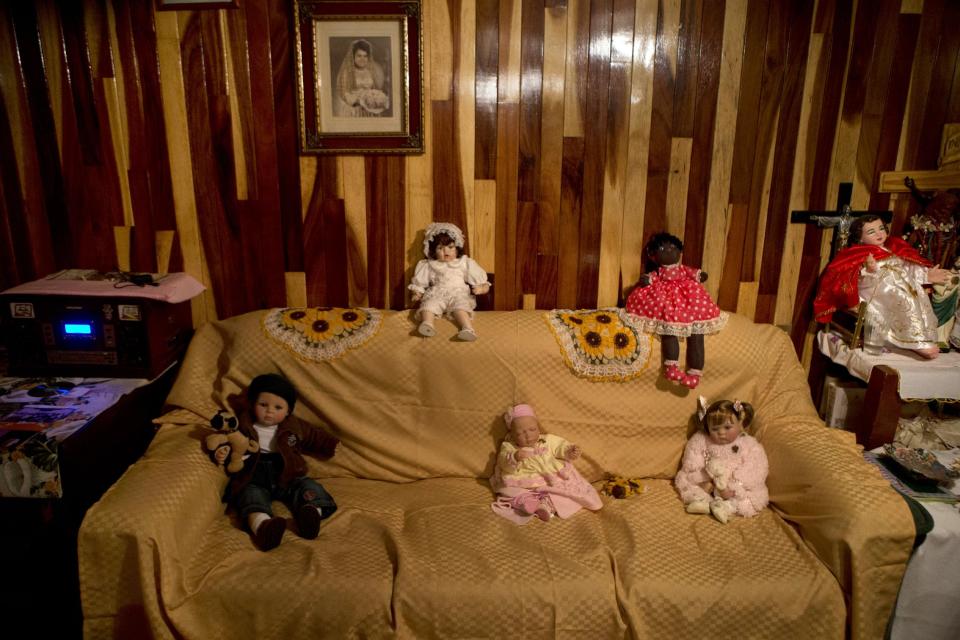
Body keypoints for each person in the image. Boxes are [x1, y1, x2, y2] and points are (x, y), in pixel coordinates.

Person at [222, 374, 339, 551]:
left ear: (288, 411)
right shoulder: (243, 423)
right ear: (253, 404)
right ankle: (263, 527)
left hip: (289, 475)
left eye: (278, 407)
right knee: (251, 497)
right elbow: (230, 439)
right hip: (254, 477)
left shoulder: (294, 425)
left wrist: (329, 444)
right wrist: (223, 451)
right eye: (263, 405)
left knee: (309, 487)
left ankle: (311, 514)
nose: (269, 411)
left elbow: (313, 434)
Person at [813, 214, 951, 359]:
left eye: (881, 229)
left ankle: (918, 339)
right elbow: (852, 277)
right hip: (874, 290)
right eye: (871, 232)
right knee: (903, 298)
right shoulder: (858, 254)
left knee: (917, 295)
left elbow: (908, 268)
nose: (879, 234)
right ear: (860, 238)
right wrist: (869, 269)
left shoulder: (894, 248)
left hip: (900, 287)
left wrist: (927, 275)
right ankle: (916, 342)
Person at [624, 232, 727, 389]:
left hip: (690, 303)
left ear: (680, 252)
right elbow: (651, 278)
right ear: (653, 255)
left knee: (697, 334)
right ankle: (671, 368)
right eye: (663, 248)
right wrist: (647, 280)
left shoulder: (684, 270)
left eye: (673, 247)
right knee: (669, 329)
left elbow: (695, 273)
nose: (668, 251)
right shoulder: (659, 272)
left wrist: (700, 275)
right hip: (668, 306)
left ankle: (694, 373)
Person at [490, 404, 602, 524]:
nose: (528, 436)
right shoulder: (509, 446)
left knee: (561, 492)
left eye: (532, 429)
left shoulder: (546, 440)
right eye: (520, 433)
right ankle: (528, 503)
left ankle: (546, 506)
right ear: (512, 434)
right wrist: (514, 457)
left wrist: (569, 450)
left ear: (538, 427)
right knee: (507, 491)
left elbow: (559, 446)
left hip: (547, 480)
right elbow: (502, 461)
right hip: (521, 481)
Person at [674, 398, 768, 524]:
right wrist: (706, 481)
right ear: (708, 428)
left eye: (727, 427)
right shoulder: (702, 439)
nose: (721, 433)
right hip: (709, 483)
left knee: (753, 497)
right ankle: (704, 503)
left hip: (736, 486)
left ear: (739, 423)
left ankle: (727, 507)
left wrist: (736, 486)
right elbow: (692, 460)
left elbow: (756, 466)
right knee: (686, 482)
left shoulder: (748, 443)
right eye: (715, 429)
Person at [409, 222, 490, 341]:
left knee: (460, 307)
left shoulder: (464, 263)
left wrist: (481, 288)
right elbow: (421, 281)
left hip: (458, 293)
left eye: (450, 247)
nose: (445, 251)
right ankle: (427, 324)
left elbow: (482, 282)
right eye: (440, 248)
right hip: (437, 293)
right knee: (429, 305)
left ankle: (467, 328)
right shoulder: (429, 265)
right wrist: (417, 292)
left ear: (457, 248)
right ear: (433, 250)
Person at [334, 39, 388, 117]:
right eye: (359, 56)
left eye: (365, 56)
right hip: (354, 110)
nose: (362, 59)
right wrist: (358, 100)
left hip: (369, 110)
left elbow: (374, 89)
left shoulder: (371, 71)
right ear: (353, 57)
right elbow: (344, 93)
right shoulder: (347, 72)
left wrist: (375, 100)